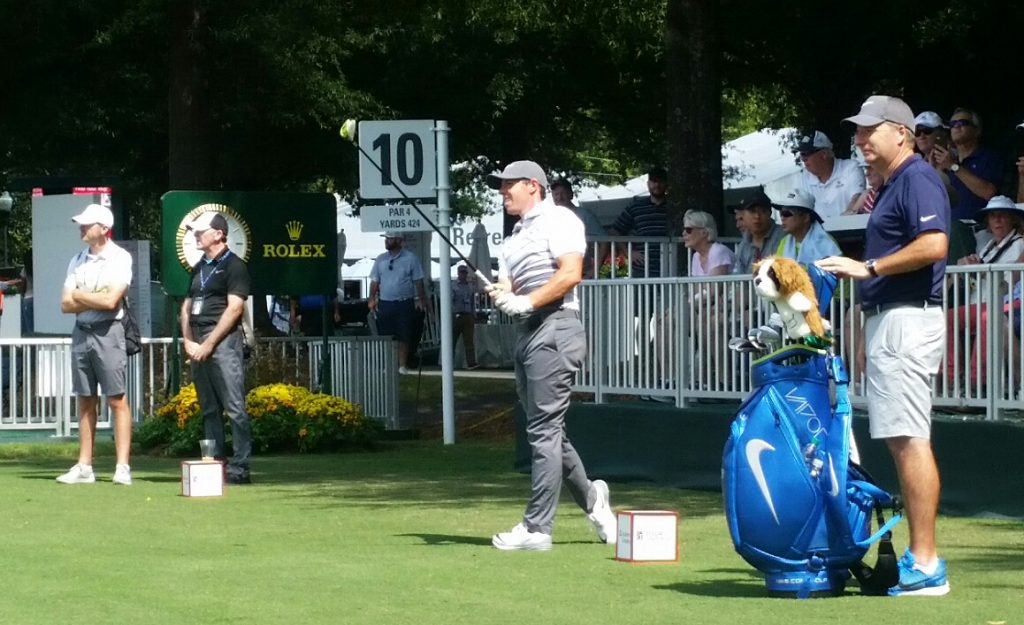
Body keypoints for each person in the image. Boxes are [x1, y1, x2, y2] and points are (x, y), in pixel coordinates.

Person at [816, 94, 951, 597]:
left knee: (909, 438)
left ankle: (927, 563)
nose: (860, 138)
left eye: (870, 129)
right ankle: (923, 559)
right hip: (893, 319)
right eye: (857, 130)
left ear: (901, 132)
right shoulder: (897, 182)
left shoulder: (916, 178)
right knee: (903, 438)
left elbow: (935, 246)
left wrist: (867, 268)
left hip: (906, 319)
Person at [483, 160, 616, 551]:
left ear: (533, 186)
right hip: (527, 332)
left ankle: (537, 528)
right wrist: (504, 294)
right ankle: (593, 501)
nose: (503, 191)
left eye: (509, 185)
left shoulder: (560, 219)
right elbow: (509, 283)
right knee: (547, 429)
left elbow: (571, 272)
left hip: (556, 326)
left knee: (542, 430)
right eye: (501, 186)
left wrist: (525, 302)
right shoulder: (512, 238)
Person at [56, 204, 134, 486]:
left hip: (109, 332)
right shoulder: (76, 259)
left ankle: (122, 466)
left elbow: (111, 301)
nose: (82, 228)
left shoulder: (120, 258)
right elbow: (66, 304)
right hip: (82, 331)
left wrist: (80, 294)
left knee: (116, 399)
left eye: (87, 224)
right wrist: (91, 295)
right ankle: (84, 466)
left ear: (103, 228)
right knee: (85, 399)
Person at [180, 211, 253, 485]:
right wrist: (188, 341)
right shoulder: (200, 266)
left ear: (219, 234)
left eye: (201, 231)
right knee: (209, 408)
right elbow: (186, 307)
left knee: (234, 406)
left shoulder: (234, 266)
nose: (196, 236)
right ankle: (214, 464)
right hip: (198, 340)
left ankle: (240, 466)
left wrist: (208, 345)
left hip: (222, 342)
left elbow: (234, 309)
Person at [945, 196, 1024, 388]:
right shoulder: (985, 247)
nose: (997, 220)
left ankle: (976, 383)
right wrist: (965, 266)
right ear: (987, 222)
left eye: (1002, 216)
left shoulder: (1021, 243)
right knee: (947, 318)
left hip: (1005, 304)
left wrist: (981, 269)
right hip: (980, 304)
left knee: (987, 317)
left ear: (1012, 219)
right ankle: (951, 380)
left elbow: (1010, 281)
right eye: (992, 216)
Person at [368, 232, 427, 374]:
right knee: (385, 335)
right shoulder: (381, 259)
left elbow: (418, 281)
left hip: (404, 302)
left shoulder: (411, 258)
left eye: (390, 239)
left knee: (404, 334)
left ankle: (402, 365)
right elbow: (375, 280)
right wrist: (371, 298)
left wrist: (421, 299)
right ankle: (388, 364)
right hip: (385, 302)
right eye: (386, 239)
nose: (387, 241)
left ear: (400, 241)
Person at [932, 107, 1001, 222]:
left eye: (962, 123)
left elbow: (989, 193)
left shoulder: (988, 157)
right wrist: (935, 170)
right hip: (949, 230)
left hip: (978, 230)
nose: (956, 127)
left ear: (977, 130)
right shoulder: (946, 160)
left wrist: (954, 167)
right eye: (952, 124)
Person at [609, 166, 669, 277]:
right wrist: (628, 252)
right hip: (642, 269)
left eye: (661, 181)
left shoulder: (674, 207)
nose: (657, 185)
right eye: (654, 181)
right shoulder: (636, 206)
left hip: (670, 266)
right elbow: (615, 231)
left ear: (666, 183)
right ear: (648, 184)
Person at [797, 130, 865, 221]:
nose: (802, 158)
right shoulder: (804, 177)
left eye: (806, 153)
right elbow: (802, 210)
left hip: (850, 231)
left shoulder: (850, 168)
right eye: (801, 154)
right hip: (820, 234)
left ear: (824, 154)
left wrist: (841, 223)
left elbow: (857, 199)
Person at [551, 178, 606, 278]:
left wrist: (595, 269)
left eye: (563, 193)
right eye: (556, 194)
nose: (559, 197)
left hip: (580, 274)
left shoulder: (584, 215)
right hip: (553, 275)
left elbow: (604, 241)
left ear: (571, 195)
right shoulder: (548, 217)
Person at [772, 188, 841, 263]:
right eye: (781, 214)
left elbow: (837, 272)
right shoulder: (784, 242)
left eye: (787, 214)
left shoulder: (825, 242)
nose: (782, 218)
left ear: (805, 217)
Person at [732, 189, 784, 274]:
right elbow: (739, 280)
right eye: (752, 211)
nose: (757, 216)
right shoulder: (743, 246)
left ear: (770, 213)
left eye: (763, 211)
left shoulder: (784, 237)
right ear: (743, 215)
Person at [451, 264, 479, 370]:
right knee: (452, 340)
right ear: (458, 273)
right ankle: (449, 361)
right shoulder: (453, 286)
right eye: (462, 272)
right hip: (457, 315)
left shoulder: (470, 287)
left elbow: (472, 302)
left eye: (465, 273)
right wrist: (453, 313)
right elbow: (451, 301)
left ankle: (471, 362)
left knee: (469, 340)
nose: (463, 275)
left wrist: (473, 314)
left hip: (468, 315)